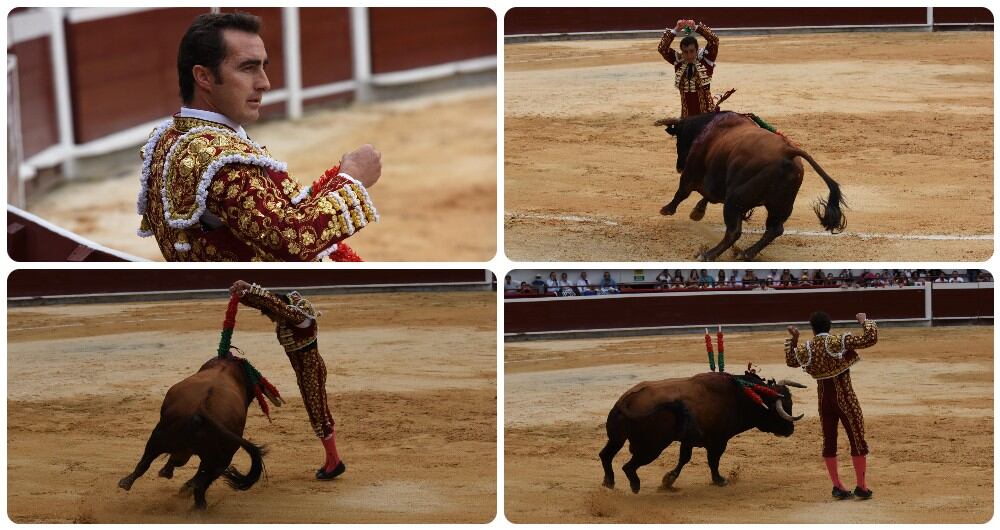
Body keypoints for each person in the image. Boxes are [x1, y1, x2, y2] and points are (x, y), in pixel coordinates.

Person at [138, 13, 380, 261]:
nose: (264, 83)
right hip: (252, 295)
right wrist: (352, 179)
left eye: (263, 67)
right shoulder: (222, 159)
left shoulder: (168, 136)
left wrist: (336, 182)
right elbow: (291, 241)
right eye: (248, 68)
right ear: (204, 77)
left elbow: (277, 215)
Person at [229, 280, 344, 480]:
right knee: (318, 413)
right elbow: (268, 304)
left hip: (311, 372)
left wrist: (248, 285)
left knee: (318, 414)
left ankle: (335, 462)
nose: (274, 319)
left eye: (274, 316)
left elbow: (274, 304)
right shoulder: (290, 314)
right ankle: (331, 459)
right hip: (307, 371)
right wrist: (244, 295)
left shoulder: (298, 316)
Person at [785, 311, 878, 500]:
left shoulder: (807, 348)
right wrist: (864, 321)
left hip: (823, 400)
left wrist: (795, 340)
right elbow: (871, 338)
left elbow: (791, 361)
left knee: (829, 440)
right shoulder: (836, 342)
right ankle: (861, 486)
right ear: (829, 326)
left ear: (812, 329)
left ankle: (837, 486)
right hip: (845, 397)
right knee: (856, 438)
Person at [657, 18, 720, 118]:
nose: (689, 55)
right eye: (685, 52)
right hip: (686, 117)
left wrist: (696, 28)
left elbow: (714, 41)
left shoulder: (706, 59)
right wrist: (676, 29)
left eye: (691, 51)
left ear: (697, 49)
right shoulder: (678, 61)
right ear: (682, 51)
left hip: (707, 115)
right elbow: (662, 48)